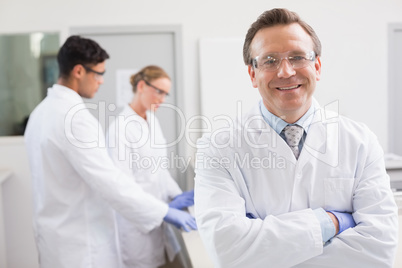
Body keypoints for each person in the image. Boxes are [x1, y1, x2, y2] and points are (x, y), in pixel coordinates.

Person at [194, 8, 398, 268]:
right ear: (252, 74)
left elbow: (379, 250)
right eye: (269, 60)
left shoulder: (359, 141)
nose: (286, 71)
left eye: (298, 57)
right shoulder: (218, 148)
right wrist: (330, 222)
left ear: (317, 66)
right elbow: (228, 250)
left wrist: (265, 251)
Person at [24, 35, 196, 268]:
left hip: (58, 240)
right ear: (78, 71)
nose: (102, 81)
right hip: (83, 245)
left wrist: (173, 198)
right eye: (99, 74)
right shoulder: (75, 120)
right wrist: (163, 212)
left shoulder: (41, 113)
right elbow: (112, 183)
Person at [107, 65, 195, 268]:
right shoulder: (119, 130)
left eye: (165, 94)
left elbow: (159, 170)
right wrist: (162, 210)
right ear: (141, 86)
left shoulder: (152, 122)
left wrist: (178, 196)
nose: (162, 100)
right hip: (137, 226)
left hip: (159, 220)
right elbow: (122, 189)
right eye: (159, 92)